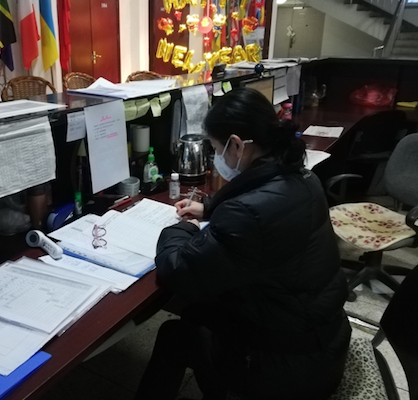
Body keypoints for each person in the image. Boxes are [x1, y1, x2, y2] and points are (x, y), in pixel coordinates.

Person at [134, 88, 351, 400]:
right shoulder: (302, 177)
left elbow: (180, 271)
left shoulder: (247, 214)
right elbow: (258, 199)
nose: (215, 158)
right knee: (198, 312)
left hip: (288, 370)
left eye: (215, 148)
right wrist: (208, 208)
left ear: (236, 145)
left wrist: (181, 228)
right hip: (322, 340)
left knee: (177, 333)